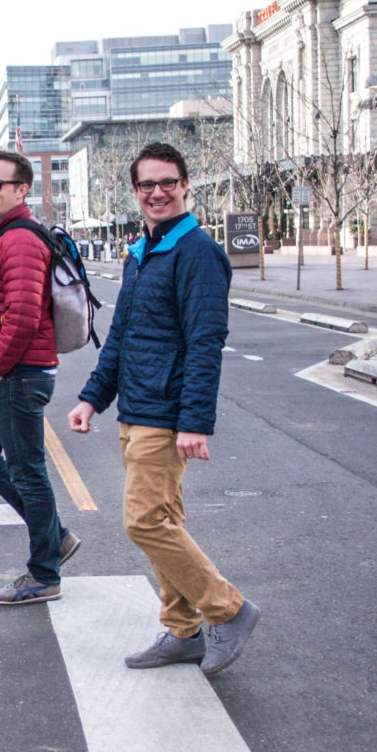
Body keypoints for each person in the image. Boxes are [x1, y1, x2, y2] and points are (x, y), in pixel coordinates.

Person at [68, 143, 260, 677]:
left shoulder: (197, 252)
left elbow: (205, 340)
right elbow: (122, 337)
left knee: (144, 521)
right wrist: (92, 398)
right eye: (147, 184)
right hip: (135, 407)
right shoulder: (142, 252)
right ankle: (183, 631)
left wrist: (194, 421)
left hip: (165, 413)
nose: (157, 192)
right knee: (165, 520)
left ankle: (229, 610)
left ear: (185, 186)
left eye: (168, 182)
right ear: (135, 192)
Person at [0, 149, 76, 607]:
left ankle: (44, 573)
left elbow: (25, 317)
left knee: (28, 472)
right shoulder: (8, 234)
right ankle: (56, 538)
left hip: (20, 374)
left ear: (21, 190)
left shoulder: (20, 240)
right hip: (17, 372)